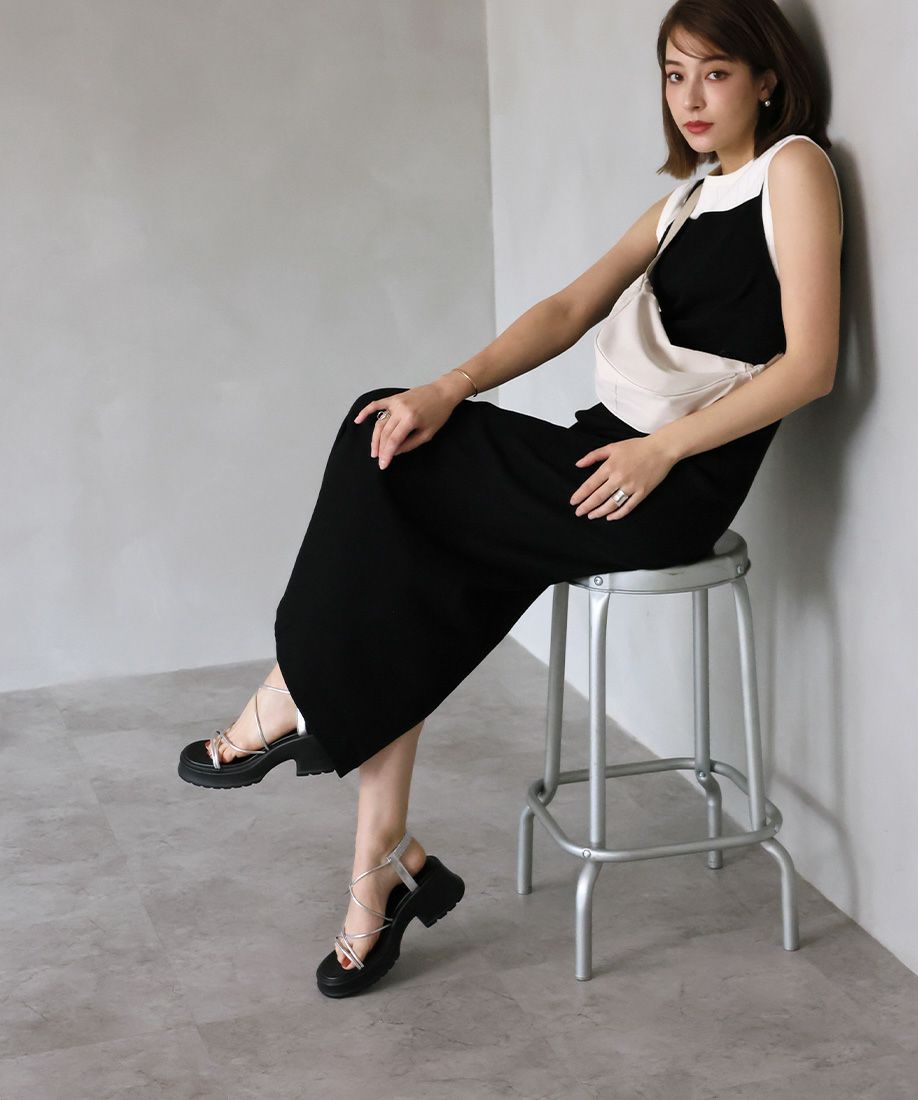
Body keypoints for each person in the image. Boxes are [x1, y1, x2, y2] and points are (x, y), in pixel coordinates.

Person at [177, 0, 844, 998]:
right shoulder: (689, 198)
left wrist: (662, 450)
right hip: (603, 451)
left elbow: (811, 365)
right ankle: (380, 865)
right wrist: (450, 386)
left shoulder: (794, 168)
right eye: (673, 75)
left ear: (766, 78)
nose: (690, 97)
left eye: (714, 72)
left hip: (669, 480)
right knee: (393, 459)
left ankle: (288, 699)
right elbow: (570, 307)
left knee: (381, 451)